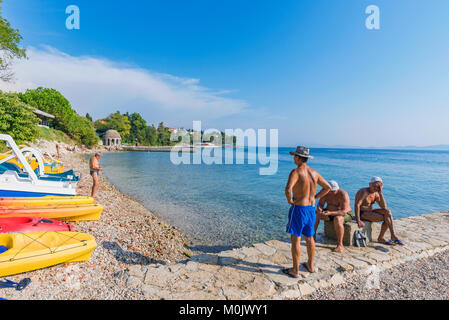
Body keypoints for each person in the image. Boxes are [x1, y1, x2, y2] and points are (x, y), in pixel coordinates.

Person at [283, 146, 331, 277]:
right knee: (310, 238)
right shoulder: (314, 173)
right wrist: (315, 197)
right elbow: (328, 187)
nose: (293, 158)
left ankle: (295, 270)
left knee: (296, 240)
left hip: (299, 209)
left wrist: (290, 200)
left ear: (298, 158)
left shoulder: (296, 172)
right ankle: (310, 265)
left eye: (295, 156)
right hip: (310, 209)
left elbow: (288, 189)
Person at [354, 177, 404, 245]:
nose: (375, 188)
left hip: (370, 211)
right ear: (370, 184)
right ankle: (385, 237)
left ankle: (391, 235)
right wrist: (358, 220)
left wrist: (380, 193)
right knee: (387, 218)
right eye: (374, 186)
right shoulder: (364, 192)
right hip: (362, 213)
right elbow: (357, 205)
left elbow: (384, 207)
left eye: (378, 187)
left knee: (388, 212)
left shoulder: (376, 193)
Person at [314, 180, 352, 253]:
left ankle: (340, 244)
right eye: (330, 191)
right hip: (329, 212)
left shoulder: (343, 194)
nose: (332, 193)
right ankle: (313, 235)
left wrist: (330, 213)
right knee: (316, 214)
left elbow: (344, 212)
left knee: (337, 219)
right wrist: (319, 208)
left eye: (333, 191)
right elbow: (320, 204)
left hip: (345, 213)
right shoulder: (325, 193)